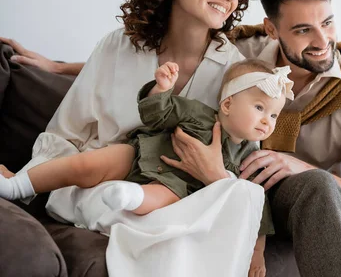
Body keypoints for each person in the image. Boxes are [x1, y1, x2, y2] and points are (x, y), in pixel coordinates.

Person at [2, 0, 341, 276]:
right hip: (267, 192)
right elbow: (164, 56)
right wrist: (56, 67)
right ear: (272, 30)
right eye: (302, 29)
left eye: (328, 23)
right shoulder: (241, 53)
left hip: (333, 200)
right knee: (318, 188)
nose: (320, 40)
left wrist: (304, 167)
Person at [1, 0, 274, 277]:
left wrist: (216, 179)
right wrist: (26, 179)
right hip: (104, 183)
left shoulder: (235, 71)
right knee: (119, 204)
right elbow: (66, 132)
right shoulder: (119, 47)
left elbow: (243, 167)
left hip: (183, 196)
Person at [0, 58, 294, 275]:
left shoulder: (248, 158)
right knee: (85, 164)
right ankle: (19, 184)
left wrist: (257, 252)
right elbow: (159, 114)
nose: (268, 120)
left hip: (176, 187)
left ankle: (128, 197)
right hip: (142, 154)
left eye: (274, 115)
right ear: (228, 104)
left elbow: (255, 207)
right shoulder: (198, 114)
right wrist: (161, 89)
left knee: (162, 195)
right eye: (259, 108)